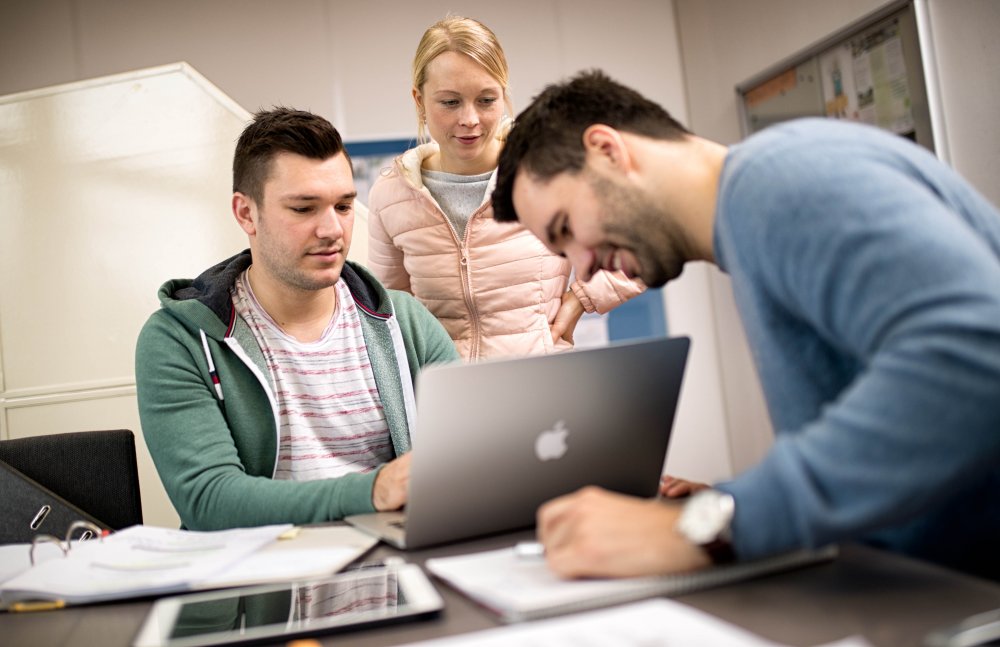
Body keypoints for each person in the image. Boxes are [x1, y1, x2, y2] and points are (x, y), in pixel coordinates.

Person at [491, 70, 1000, 580]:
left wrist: (716, 523)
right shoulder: (750, 218)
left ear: (607, 150)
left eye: (566, 229)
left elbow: (977, 352)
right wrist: (728, 503)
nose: (581, 268)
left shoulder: (777, 182)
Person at [135, 108, 458, 531]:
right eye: (304, 209)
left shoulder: (406, 323)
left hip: (397, 570)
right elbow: (208, 499)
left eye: (343, 206)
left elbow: (468, 456)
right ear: (246, 214)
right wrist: (372, 490)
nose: (332, 230)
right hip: (261, 583)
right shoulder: (179, 340)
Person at [366, 16, 643, 361]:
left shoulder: (550, 171)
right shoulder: (392, 195)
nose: (470, 119)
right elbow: (390, 312)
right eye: (450, 102)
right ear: (419, 101)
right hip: (447, 398)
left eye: (485, 100)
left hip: (540, 389)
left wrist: (579, 301)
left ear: (503, 95)